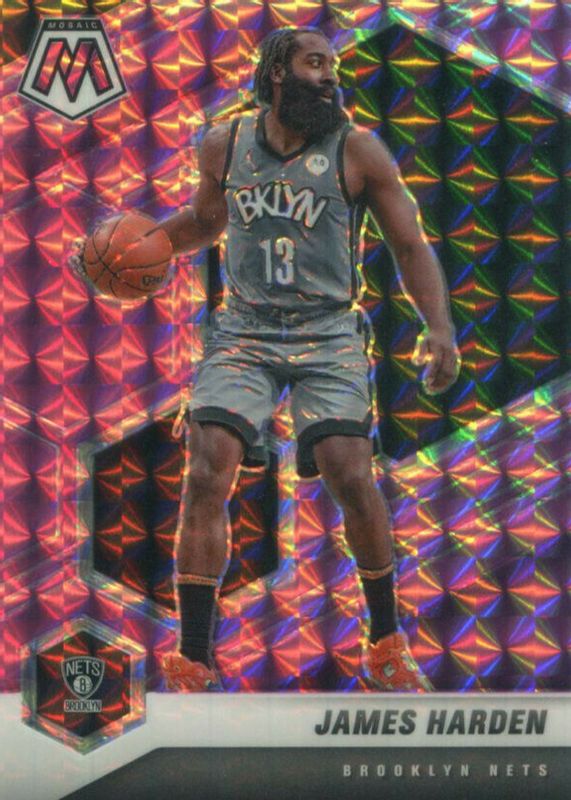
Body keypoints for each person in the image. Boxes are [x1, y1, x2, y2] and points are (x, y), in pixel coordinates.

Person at [89, 27, 460, 692]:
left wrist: (439, 328)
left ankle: (384, 642)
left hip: (328, 332)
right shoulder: (223, 143)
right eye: (315, 63)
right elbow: (206, 223)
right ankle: (194, 658)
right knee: (208, 468)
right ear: (278, 73)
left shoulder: (357, 149)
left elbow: (408, 244)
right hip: (244, 330)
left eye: (332, 65)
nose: (329, 76)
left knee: (351, 473)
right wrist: (138, 249)